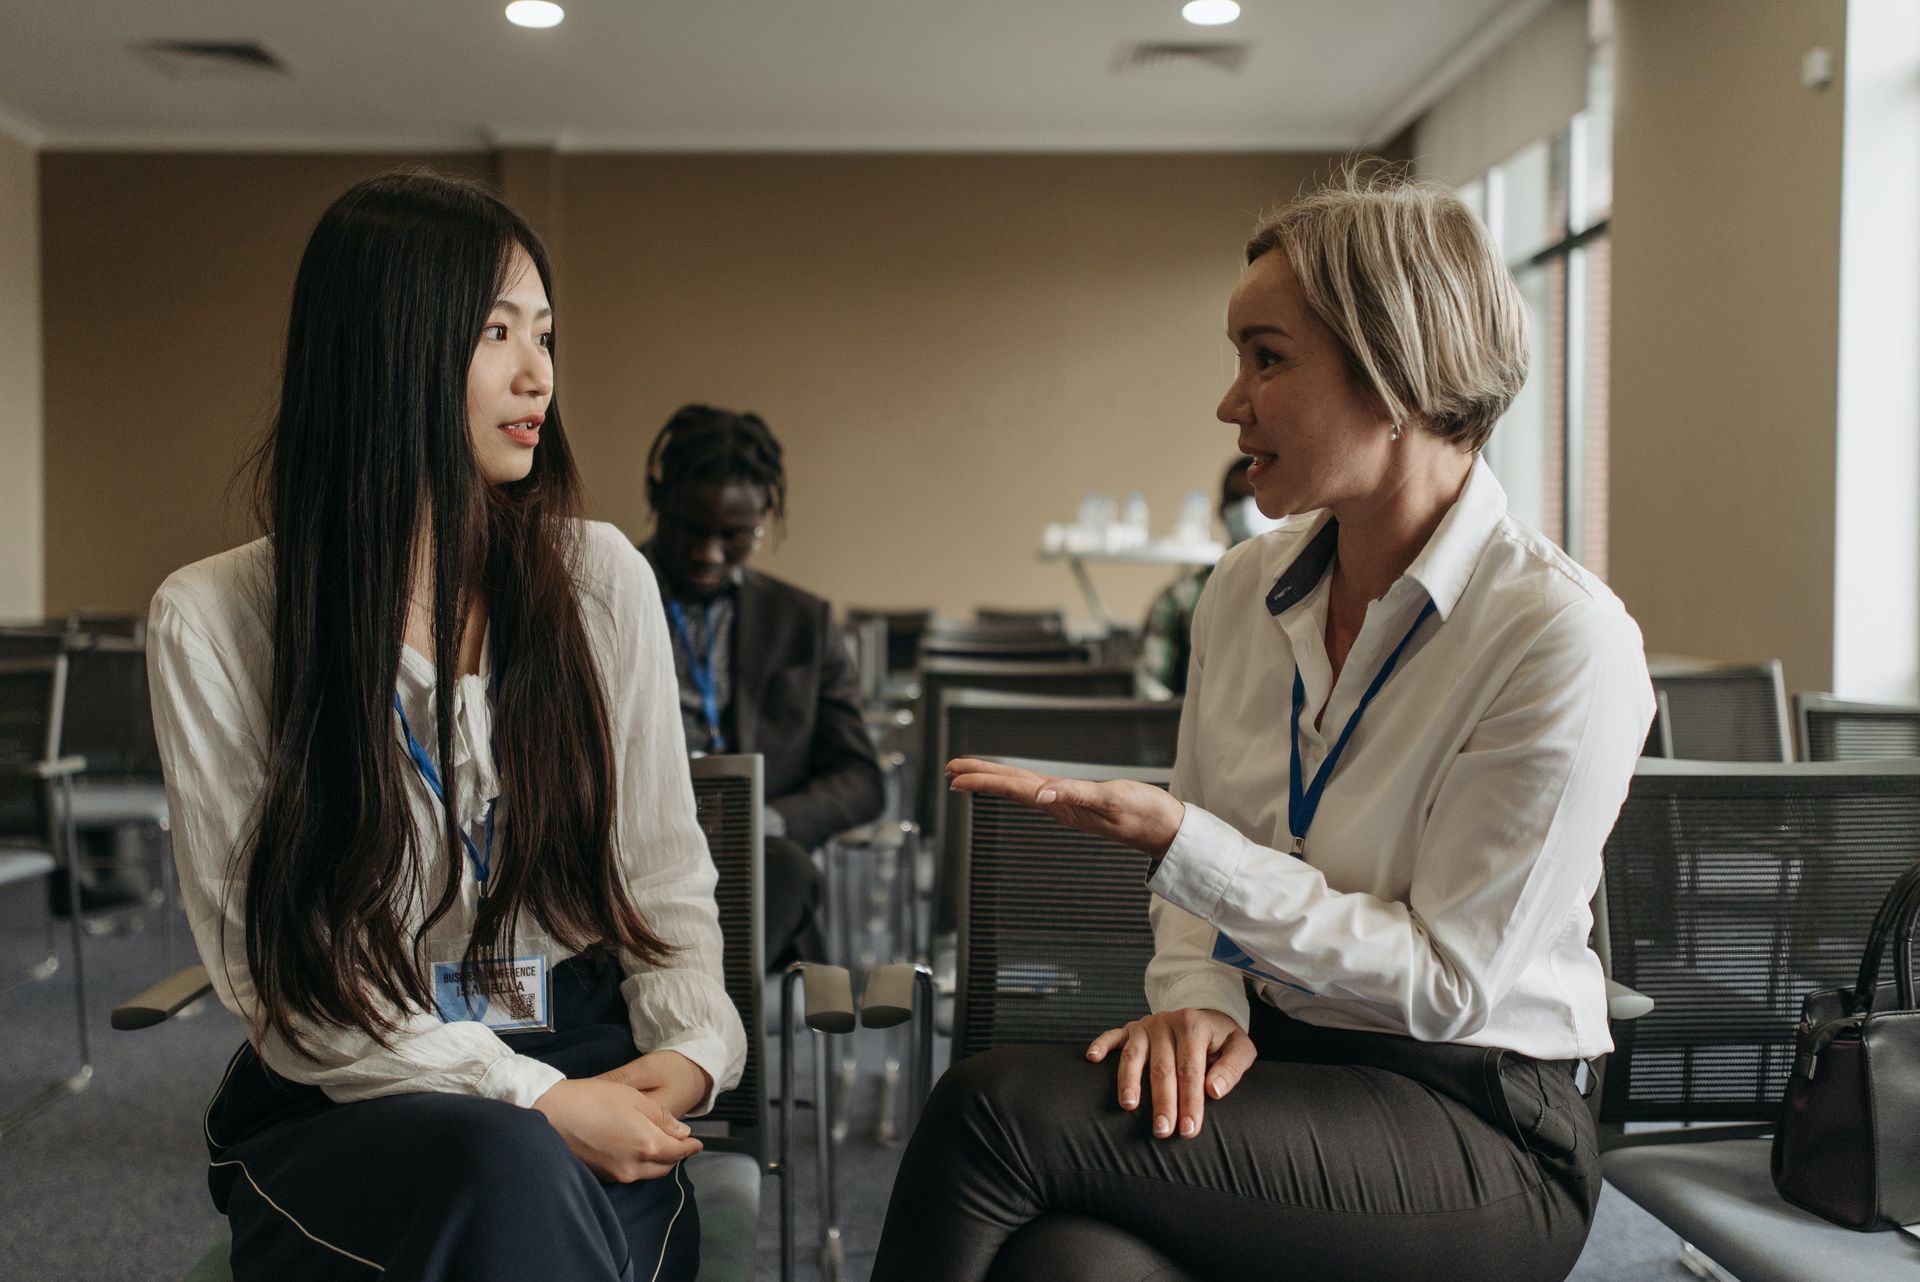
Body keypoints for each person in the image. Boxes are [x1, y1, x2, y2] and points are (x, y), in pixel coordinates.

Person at [872, 166, 1653, 1281]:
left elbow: (1445, 985)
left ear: (1396, 370)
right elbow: (1198, 895)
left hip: (1475, 1118)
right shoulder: (1245, 590)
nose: (1229, 402)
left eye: (1267, 358)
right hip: (1277, 1069)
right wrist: (1195, 1000)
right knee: (1068, 1263)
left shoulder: (1559, 638)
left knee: (991, 1113)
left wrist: (1185, 848)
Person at [146, 171, 745, 1282]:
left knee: (528, 1193)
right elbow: (287, 984)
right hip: (354, 1091)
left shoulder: (599, 578)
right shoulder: (216, 619)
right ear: (388, 352)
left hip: (585, 1045)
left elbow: (663, 877)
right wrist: (533, 1102)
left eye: (546, 333)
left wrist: (692, 1052)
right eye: (496, 331)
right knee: (507, 1172)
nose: (540, 373)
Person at [638, 404, 884, 966]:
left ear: (764, 519)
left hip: (754, 859)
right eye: (690, 530)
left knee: (783, 870)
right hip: (631, 847)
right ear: (657, 500)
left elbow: (861, 778)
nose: (708, 554)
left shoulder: (802, 621)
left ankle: (701, 1024)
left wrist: (766, 821)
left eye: (735, 536)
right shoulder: (593, 596)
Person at [1135, 455, 1284, 699]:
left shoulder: (1312, 591)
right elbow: (1149, 686)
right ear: (1221, 510)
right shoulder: (1183, 598)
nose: (1248, 509)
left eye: (1257, 497)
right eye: (1238, 499)